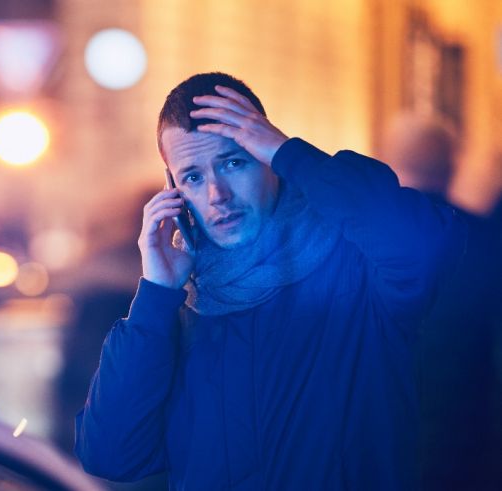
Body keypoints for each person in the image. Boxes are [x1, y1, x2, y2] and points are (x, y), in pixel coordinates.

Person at [74, 72, 466, 490]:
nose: (216, 194)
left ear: (269, 161)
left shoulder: (355, 270)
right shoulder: (179, 311)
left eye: (234, 162)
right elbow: (110, 453)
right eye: (192, 177)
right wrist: (156, 294)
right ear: (172, 189)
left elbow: (422, 243)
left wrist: (290, 154)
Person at [383, 114, 502, 490]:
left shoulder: (350, 247)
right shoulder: (487, 242)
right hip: (470, 448)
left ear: (384, 163)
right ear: (452, 167)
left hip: (379, 449)